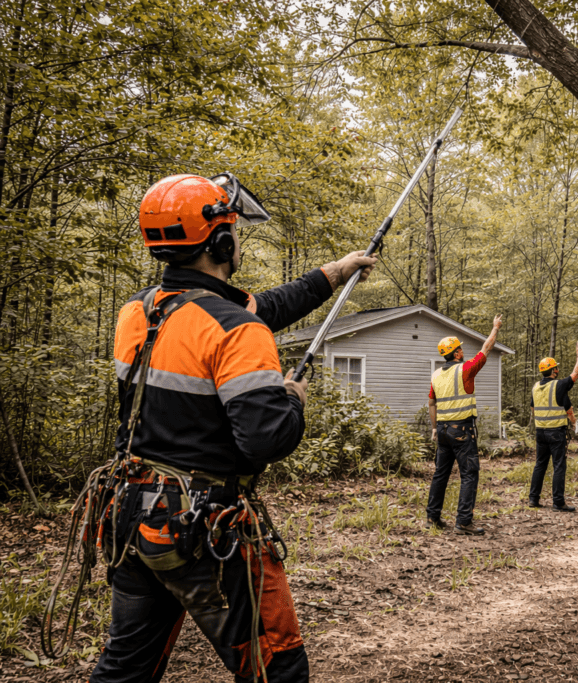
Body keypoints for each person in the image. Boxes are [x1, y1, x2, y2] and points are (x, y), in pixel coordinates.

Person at [90, 173, 376, 683]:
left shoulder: (138, 312)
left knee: (125, 668)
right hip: (202, 527)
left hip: (130, 516)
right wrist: (291, 401)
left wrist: (336, 271)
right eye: (233, 230)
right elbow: (266, 439)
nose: (237, 239)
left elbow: (259, 307)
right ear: (222, 241)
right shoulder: (236, 329)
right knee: (277, 668)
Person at [426, 315, 503, 535]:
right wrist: (495, 328)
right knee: (469, 474)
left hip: (441, 430)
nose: (462, 351)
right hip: (462, 431)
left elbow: (431, 402)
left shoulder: (436, 375)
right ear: (457, 353)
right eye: (460, 348)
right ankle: (463, 522)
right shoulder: (466, 369)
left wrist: (434, 428)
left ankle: (432, 517)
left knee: (441, 473)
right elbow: (486, 348)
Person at [528, 342, 578, 512]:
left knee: (540, 464)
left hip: (540, 432)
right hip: (556, 434)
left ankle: (533, 499)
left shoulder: (536, 387)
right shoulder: (559, 385)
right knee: (559, 465)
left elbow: (532, 408)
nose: (558, 371)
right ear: (553, 371)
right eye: (556, 368)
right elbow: (576, 374)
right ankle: (558, 502)